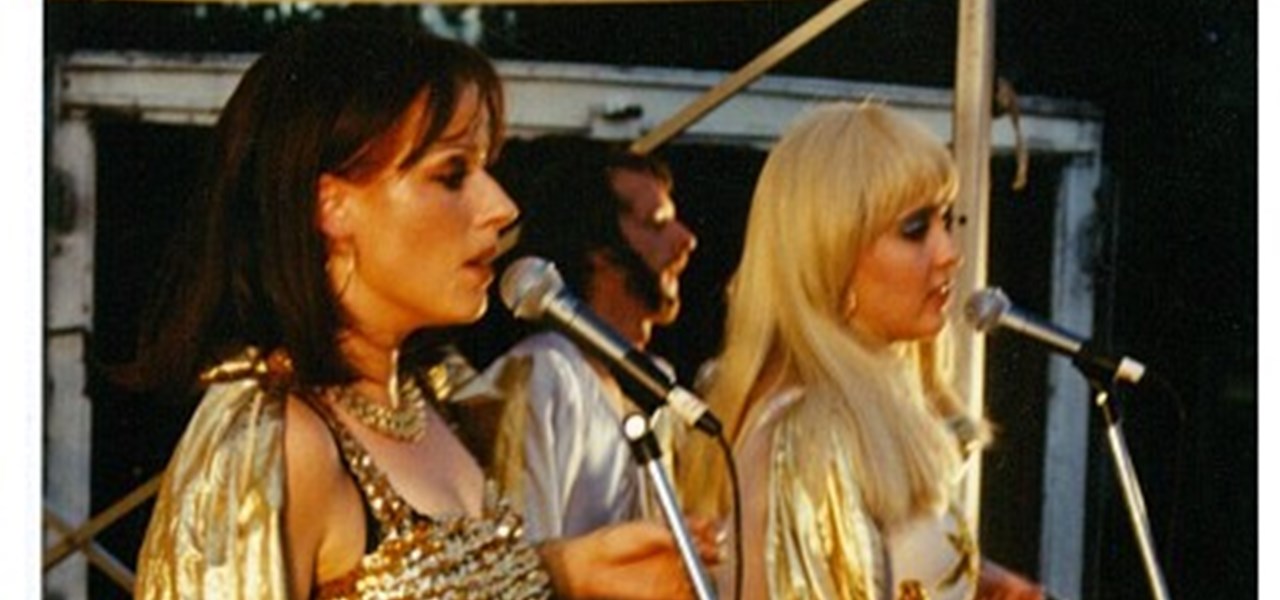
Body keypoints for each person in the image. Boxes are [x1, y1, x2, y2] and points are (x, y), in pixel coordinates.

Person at [126, 23, 715, 599]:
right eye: (452, 174)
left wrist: (563, 573)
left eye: (486, 169)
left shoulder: (433, 397)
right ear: (331, 206)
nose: (501, 206)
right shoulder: (275, 439)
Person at [677, 102, 1043, 600]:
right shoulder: (805, 433)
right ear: (834, 257)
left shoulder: (847, 416)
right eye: (915, 230)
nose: (949, 253)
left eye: (945, 221)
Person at [454, 136, 700, 542]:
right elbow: (520, 558)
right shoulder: (544, 374)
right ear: (600, 250)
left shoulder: (660, 380)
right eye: (656, 223)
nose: (686, 240)